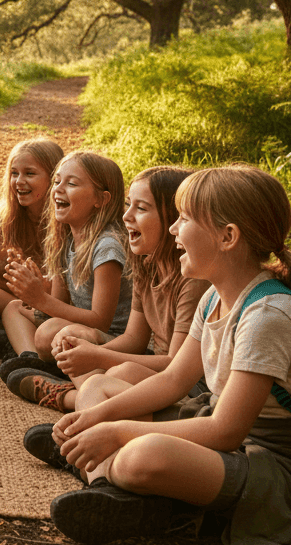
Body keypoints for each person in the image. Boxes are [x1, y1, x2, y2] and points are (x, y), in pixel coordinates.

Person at [33, 165, 291, 545]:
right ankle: (112, 490)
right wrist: (97, 418)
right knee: (96, 390)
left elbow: (225, 431)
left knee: (141, 455)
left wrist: (117, 433)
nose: (174, 230)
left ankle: (109, 474)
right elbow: (173, 380)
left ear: (228, 237)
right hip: (229, 440)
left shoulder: (269, 316)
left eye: (185, 219)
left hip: (278, 467)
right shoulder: (214, 298)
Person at [12, 166, 210, 410]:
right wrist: (85, 353)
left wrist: (99, 356)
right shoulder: (145, 264)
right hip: (155, 365)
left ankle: (71, 398)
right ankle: (88, 396)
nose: (126, 216)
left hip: (191, 386)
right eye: (128, 205)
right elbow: (134, 339)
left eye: (141, 208)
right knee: (72, 340)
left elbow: (175, 366)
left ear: (174, 220)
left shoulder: (193, 280)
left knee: (122, 372)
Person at [0, 151, 133, 400]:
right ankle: (33, 361)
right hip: (78, 328)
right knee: (14, 308)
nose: (59, 189)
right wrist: (34, 298)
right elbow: (57, 304)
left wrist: (41, 300)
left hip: (110, 339)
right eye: (57, 181)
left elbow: (101, 320)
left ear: (101, 200)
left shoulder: (107, 246)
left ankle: (86, 392)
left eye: (71, 184)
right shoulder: (65, 238)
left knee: (53, 332)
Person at [0, 138, 65, 355]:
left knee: (18, 309)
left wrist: (34, 284)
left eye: (30, 173)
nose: (19, 181)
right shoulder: (7, 215)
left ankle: (11, 337)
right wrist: (8, 270)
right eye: (14, 173)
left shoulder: (65, 220)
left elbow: (62, 292)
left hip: (57, 303)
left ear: (54, 178)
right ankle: (14, 330)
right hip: (22, 298)